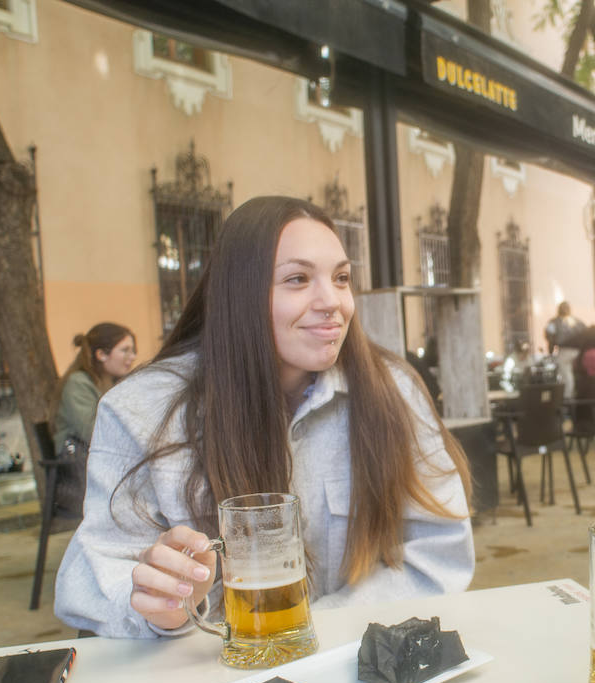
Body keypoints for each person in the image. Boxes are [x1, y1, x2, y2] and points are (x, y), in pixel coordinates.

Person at [54, 196, 475, 638]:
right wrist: (158, 609)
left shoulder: (391, 390)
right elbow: (97, 575)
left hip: (355, 671)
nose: (332, 301)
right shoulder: (144, 407)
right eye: (297, 279)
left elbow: (439, 552)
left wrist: (315, 632)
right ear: (239, 293)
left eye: (342, 278)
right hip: (199, 681)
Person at [53, 322, 138, 449]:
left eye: (133, 351)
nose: (132, 357)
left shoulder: (115, 384)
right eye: (125, 350)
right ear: (101, 355)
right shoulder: (78, 383)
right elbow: (93, 433)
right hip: (80, 460)